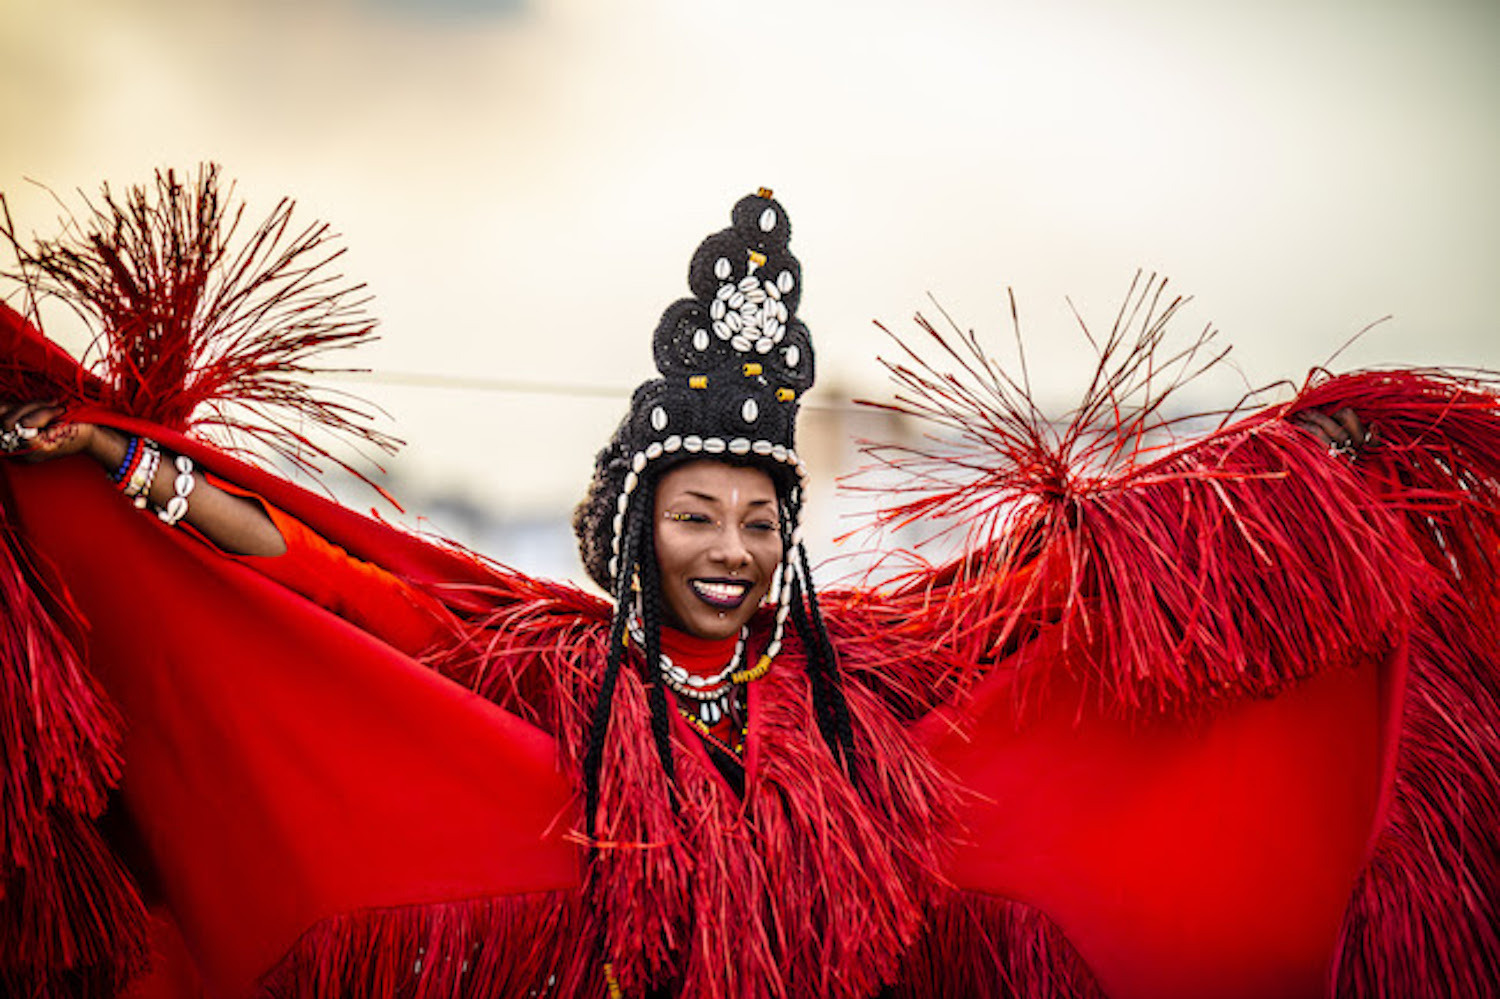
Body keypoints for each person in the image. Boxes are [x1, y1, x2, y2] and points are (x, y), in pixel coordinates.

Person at [1, 180, 1496, 999]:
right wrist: (140, 484)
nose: (728, 548)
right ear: (633, 536)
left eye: (756, 521)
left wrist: (1295, 475)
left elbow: (1054, 590)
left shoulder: (867, 682)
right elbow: (351, 593)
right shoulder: (547, 665)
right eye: (697, 517)